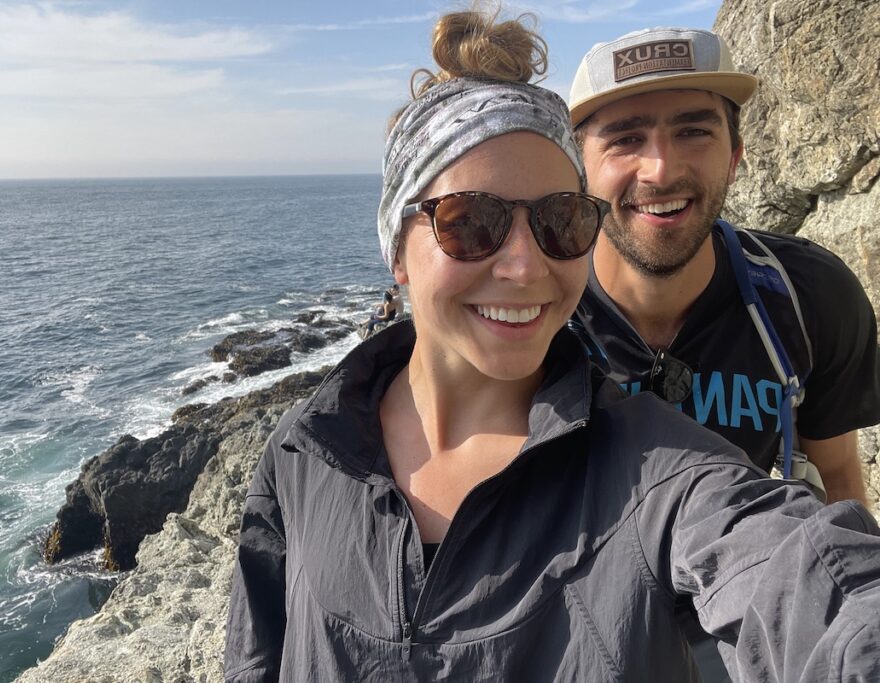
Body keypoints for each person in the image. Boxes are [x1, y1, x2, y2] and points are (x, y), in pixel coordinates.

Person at [225, 10, 880, 682]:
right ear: (397, 247)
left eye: (557, 223)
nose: (524, 266)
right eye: (470, 222)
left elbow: (811, 568)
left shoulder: (670, 446)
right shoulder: (303, 455)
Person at [567, 26, 880, 682]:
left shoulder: (805, 298)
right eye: (625, 137)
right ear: (581, 171)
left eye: (693, 130)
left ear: (736, 154)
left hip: (743, 624)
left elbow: (840, 482)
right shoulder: (539, 318)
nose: (661, 168)